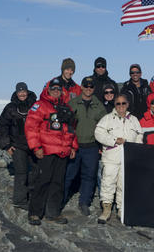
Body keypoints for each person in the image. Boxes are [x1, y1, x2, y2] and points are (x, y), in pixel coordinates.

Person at [24, 78, 78, 226]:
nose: (56, 91)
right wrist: (36, 147)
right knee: (42, 181)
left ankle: (52, 213)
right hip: (46, 151)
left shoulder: (66, 107)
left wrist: (73, 146)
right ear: (47, 90)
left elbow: (71, 129)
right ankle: (35, 213)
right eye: (53, 89)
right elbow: (30, 127)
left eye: (58, 89)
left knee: (58, 183)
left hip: (63, 151)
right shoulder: (39, 106)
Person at [94, 94, 143, 223]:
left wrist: (134, 147)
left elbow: (139, 135)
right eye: (118, 103)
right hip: (111, 156)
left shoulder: (133, 119)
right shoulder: (107, 118)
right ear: (115, 105)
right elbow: (98, 133)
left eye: (123, 103)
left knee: (123, 183)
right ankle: (106, 208)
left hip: (127, 157)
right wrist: (114, 141)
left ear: (127, 104)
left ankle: (121, 209)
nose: (121, 106)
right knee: (108, 182)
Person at [63, 77, 106, 216]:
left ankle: (84, 202)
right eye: (86, 86)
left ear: (94, 88)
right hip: (75, 146)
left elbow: (104, 125)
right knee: (69, 174)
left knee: (89, 176)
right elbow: (66, 125)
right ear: (81, 87)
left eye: (91, 86)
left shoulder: (98, 105)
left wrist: (102, 144)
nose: (88, 88)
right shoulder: (73, 103)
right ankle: (61, 199)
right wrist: (68, 144)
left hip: (92, 146)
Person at [0, 82, 38, 210]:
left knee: (36, 170)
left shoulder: (35, 105)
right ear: (16, 93)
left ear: (27, 91)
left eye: (24, 91)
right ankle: (19, 200)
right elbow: (1, 126)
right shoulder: (10, 108)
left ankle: (30, 193)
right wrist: (7, 145)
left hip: (34, 144)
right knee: (21, 171)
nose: (22, 94)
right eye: (19, 92)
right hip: (17, 145)